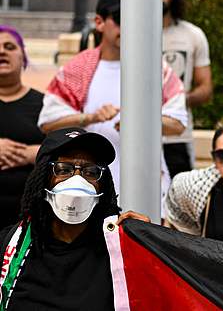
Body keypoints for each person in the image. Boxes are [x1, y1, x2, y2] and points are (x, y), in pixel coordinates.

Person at [37, 0, 188, 203]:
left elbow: (178, 123)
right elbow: (48, 122)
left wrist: (138, 120)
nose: (128, 26)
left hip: (147, 187)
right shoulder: (77, 68)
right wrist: (90, 118)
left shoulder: (157, 69)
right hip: (88, 187)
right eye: (120, 19)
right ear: (99, 22)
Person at [0, 127, 149, 310]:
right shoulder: (10, 246)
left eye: (91, 172)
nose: (78, 181)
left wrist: (148, 248)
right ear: (42, 178)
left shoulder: (120, 248)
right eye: (63, 169)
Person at [162, 0, 214, 176]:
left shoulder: (192, 35)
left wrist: (179, 100)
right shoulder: (128, 35)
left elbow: (205, 87)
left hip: (177, 136)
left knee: (179, 198)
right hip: (133, 135)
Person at [0, 25, 44, 229]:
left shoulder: (45, 105)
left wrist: (33, 153)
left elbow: (66, 153)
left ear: (23, 57)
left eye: (9, 47)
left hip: (30, 221)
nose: (2, 51)